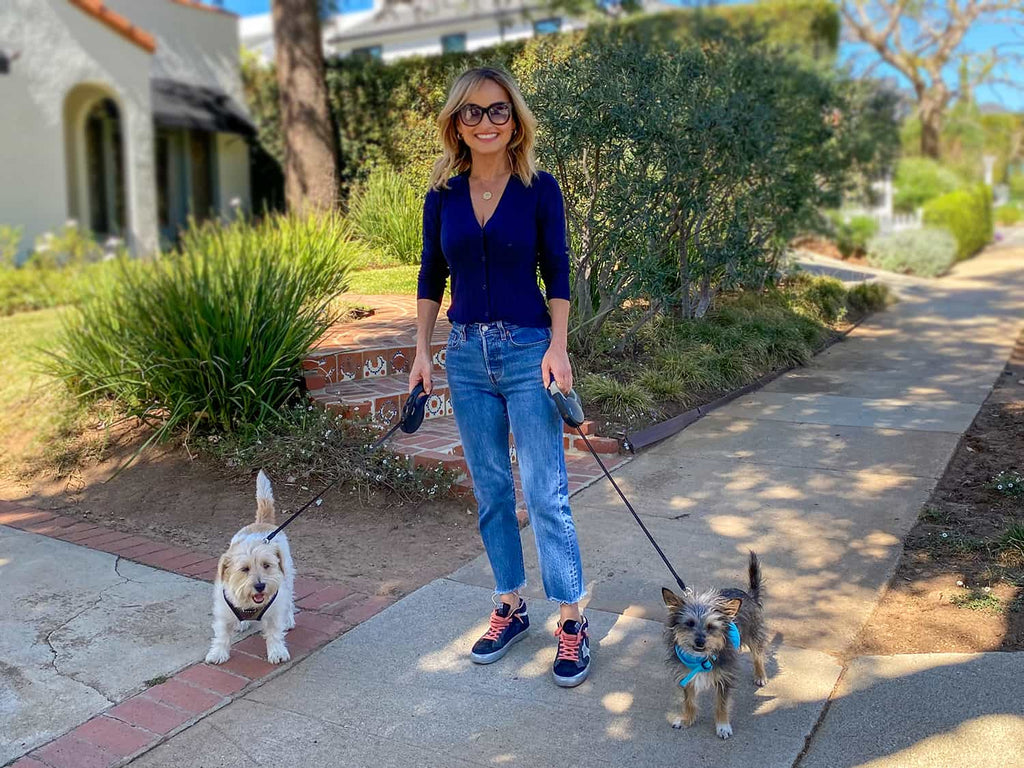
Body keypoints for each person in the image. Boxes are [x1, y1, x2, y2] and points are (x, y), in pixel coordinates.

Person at [409, 66, 590, 688]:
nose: (486, 122)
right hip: (463, 355)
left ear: (515, 120)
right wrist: (421, 354)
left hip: (527, 351)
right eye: (472, 112)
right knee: (490, 490)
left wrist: (559, 350)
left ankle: (570, 620)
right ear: (456, 123)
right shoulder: (443, 194)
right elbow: (431, 277)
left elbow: (559, 272)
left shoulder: (540, 188)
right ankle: (511, 605)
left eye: (498, 111)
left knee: (546, 491)